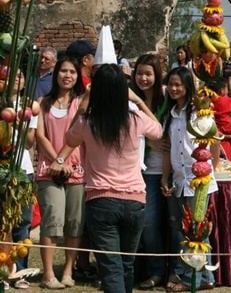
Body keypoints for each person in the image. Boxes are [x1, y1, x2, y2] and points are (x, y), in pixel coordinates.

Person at [48, 64, 163, 293]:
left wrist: (83, 106)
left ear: (96, 91)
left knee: (111, 267)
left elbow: (69, 139)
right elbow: (158, 131)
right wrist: (139, 102)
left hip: (101, 200)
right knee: (126, 264)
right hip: (135, 200)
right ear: (124, 90)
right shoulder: (135, 118)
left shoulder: (88, 121)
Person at [161, 67, 219, 291]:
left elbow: (213, 143)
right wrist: (165, 178)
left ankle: (201, 278)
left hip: (199, 181)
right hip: (178, 181)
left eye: (179, 85)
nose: (174, 89)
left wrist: (209, 169)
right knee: (181, 230)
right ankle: (186, 272)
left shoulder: (199, 113)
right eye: (171, 85)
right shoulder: (170, 115)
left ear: (187, 87)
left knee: (198, 230)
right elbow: (168, 150)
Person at [35, 56, 86, 289]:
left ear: (77, 76)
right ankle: (48, 274)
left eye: (72, 72)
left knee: (74, 223)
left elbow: (80, 133)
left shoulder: (82, 102)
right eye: (63, 71)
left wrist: (65, 159)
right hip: (49, 170)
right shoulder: (43, 103)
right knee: (52, 219)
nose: (68, 75)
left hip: (77, 170)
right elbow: (40, 135)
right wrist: (57, 159)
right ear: (56, 74)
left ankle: (67, 271)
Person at [131, 54, 169, 289]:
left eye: (148, 74)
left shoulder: (166, 96)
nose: (143, 78)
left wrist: (140, 103)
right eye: (139, 73)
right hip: (135, 168)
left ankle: (157, 270)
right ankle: (143, 268)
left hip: (159, 169)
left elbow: (161, 133)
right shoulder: (128, 99)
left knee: (153, 222)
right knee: (141, 223)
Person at [7, 70, 37, 289]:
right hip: (3, 168)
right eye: (12, 75)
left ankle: (19, 273)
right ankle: (3, 273)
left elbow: (28, 143)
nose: (18, 78)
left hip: (23, 169)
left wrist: (20, 121)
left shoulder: (29, 105)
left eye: (20, 75)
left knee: (22, 223)